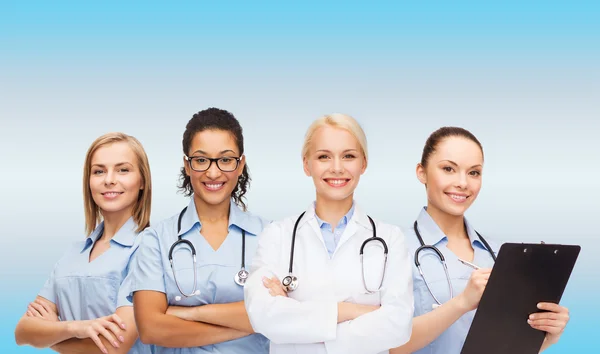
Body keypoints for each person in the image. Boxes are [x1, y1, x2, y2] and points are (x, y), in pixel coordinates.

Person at [390, 127, 570, 354]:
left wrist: (546, 337)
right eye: (448, 169)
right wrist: (462, 302)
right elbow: (387, 345)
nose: (463, 183)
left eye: (474, 172)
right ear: (421, 172)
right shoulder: (394, 248)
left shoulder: (500, 255)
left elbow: (507, 345)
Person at [245, 113, 414, 354]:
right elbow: (263, 316)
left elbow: (398, 325)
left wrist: (299, 325)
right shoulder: (277, 236)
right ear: (307, 164)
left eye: (348, 156)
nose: (336, 168)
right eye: (324, 156)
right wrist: (353, 312)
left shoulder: (390, 239)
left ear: (363, 163)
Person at [128, 108, 269, 353]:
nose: (213, 172)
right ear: (187, 164)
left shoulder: (269, 235)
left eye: (225, 159)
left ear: (240, 164)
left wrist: (191, 313)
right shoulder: (156, 240)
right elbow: (151, 329)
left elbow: (282, 314)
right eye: (201, 160)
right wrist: (250, 324)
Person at [15, 132, 154, 354]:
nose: (109, 179)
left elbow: (115, 345)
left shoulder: (149, 249)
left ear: (142, 182)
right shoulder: (72, 255)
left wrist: (51, 336)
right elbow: (22, 332)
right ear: (88, 182)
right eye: (99, 171)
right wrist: (76, 327)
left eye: (123, 170)